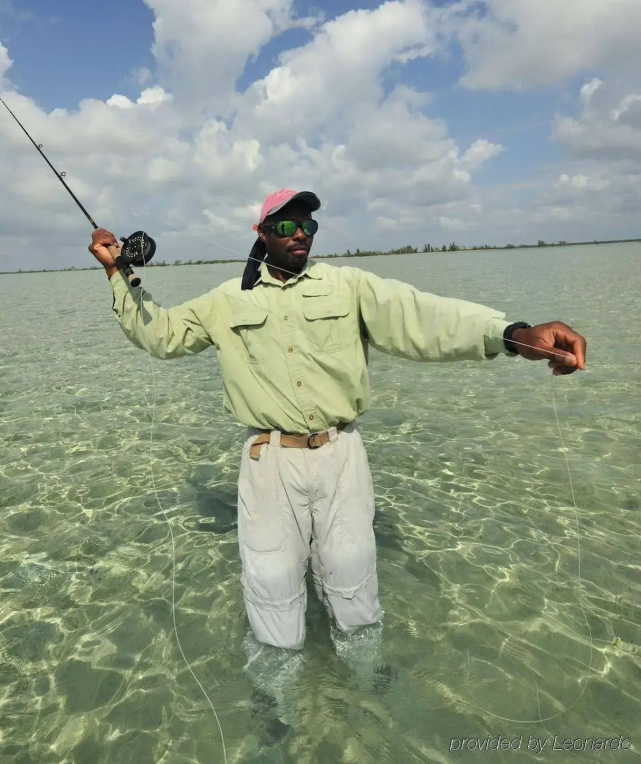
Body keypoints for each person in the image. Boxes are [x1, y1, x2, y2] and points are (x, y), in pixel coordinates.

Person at [88, 188, 586, 696]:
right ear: (262, 234)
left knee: (353, 578)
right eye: (285, 226)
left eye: (308, 226)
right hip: (268, 459)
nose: (299, 233)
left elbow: (425, 317)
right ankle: (276, 698)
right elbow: (161, 334)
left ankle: (368, 683)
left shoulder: (348, 287)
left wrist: (514, 335)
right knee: (271, 581)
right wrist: (116, 272)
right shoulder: (226, 300)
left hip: (341, 453)